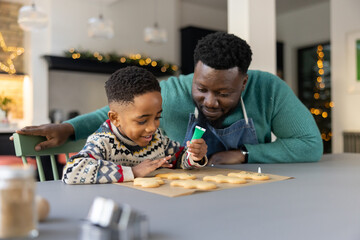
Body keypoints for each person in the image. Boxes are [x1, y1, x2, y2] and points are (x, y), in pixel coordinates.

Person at [16, 32, 323, 164]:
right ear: (195, 74)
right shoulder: (173, 91)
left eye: (224, 93)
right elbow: (113, 114)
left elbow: (309, 145)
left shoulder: (268, 89)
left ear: (243, 81)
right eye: (202, 88)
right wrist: (68, 128)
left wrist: (245, 154)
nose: (210, 101)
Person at [62, 66, 208, 184]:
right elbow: (72, 171)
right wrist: (133, 172)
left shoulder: (157, 140)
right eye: (142, 121)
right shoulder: (103, 142)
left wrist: (194, 156)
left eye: (158, 117)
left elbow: (179, 159)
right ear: (115, 118)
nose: (153, 127)